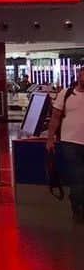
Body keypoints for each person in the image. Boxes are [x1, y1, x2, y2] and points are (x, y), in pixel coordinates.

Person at [46, 66, 84, 224]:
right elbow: (55, 117)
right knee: (78, 177)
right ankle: (78, 209)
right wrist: (50, 138)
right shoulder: (66, 94)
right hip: (70, 143)